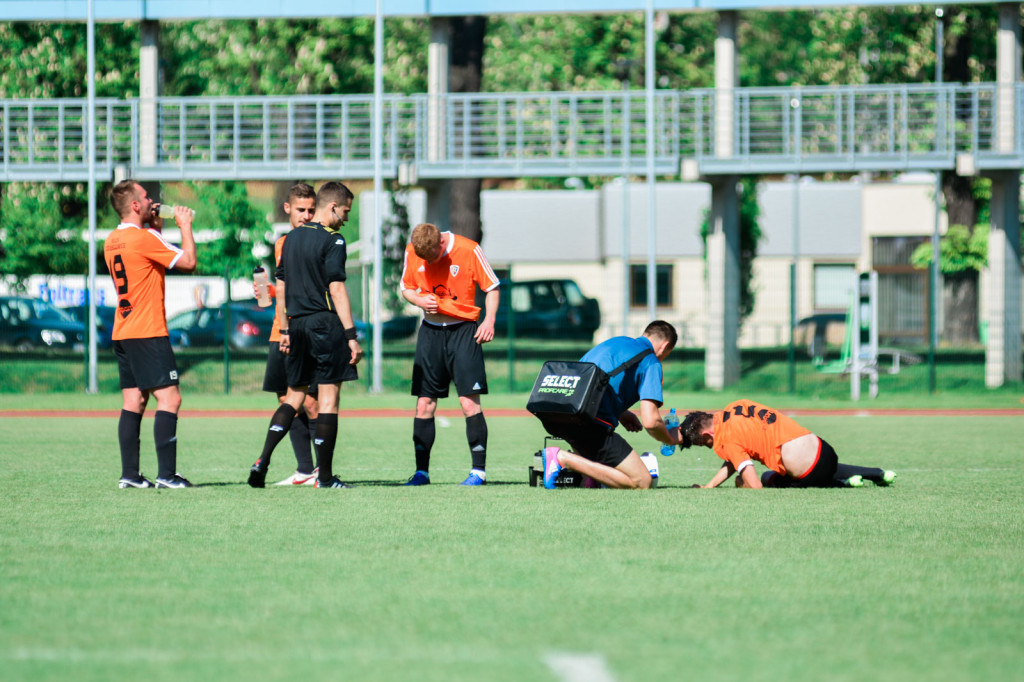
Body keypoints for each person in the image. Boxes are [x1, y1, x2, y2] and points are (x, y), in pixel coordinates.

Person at [248, 181, 363, 489]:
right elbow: (337, 288)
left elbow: (281, 288)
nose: (347, 219)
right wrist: (351, 335)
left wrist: (285, 328)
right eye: (346, 211)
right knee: (328, 399)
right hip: (324, 325)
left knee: (294, 396)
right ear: (334, 207)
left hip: (294, 327)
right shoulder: (334, 240)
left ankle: (263, 459)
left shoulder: (291, 239)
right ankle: (323, 477)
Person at [104, 179, 197, 489]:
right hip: (147, 329)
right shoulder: (143, 239)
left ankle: (130, 476)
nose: (151, 200)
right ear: (134, 205)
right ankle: (167, 476)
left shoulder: (112, 240)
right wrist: (184, 225)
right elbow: (188, 261)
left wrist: (155, 225)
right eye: (145, 197)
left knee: (133, 401)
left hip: (123, 329)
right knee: (170, 398)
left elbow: (147, 256)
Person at [400, 222, 500, 486]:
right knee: (424, 404)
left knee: (469, 402)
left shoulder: (469, 249)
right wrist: (418, 300)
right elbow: (407, 287)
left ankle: (478, 472)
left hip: (463, 332)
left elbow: (492, 288)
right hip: (430, 333)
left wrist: (489, 321)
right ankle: (422, 472)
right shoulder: (414, 250)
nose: (427, 262)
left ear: (440, 244)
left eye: (431, 257)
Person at [538, 320, 682, 490]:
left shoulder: (616, 342)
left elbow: (586, 379)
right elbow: (650, 421)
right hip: (589, 425)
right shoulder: (651, 362)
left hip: (559, 413)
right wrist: (670, 438)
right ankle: (562, 458)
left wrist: (622, 413)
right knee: (642, 481)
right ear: (665, 347)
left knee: (596, 467)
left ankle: (588, 478)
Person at [248, 182, 320, 487]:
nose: (306, 215)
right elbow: (286, 288)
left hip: (302, 332)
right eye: (300, 209)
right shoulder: (282, 243)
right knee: (285, 399)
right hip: (281, 332)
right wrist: (267, 293)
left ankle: (321, 469)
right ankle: (305, 470)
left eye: (311, 210)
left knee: (311, 402)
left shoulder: (320, 241)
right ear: (287, 208)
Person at [679, 399, 898, 489]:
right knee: (824, 466)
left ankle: (845, 483)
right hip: (823, 449)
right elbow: (733, 460)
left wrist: (742, 484)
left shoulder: (726, 440)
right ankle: (877, 473)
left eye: (706, 444)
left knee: (766, 477)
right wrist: (709, 487)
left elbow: (754, 485)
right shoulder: (736, 406)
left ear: (708, 434)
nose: (711, 448)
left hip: (809, 472)